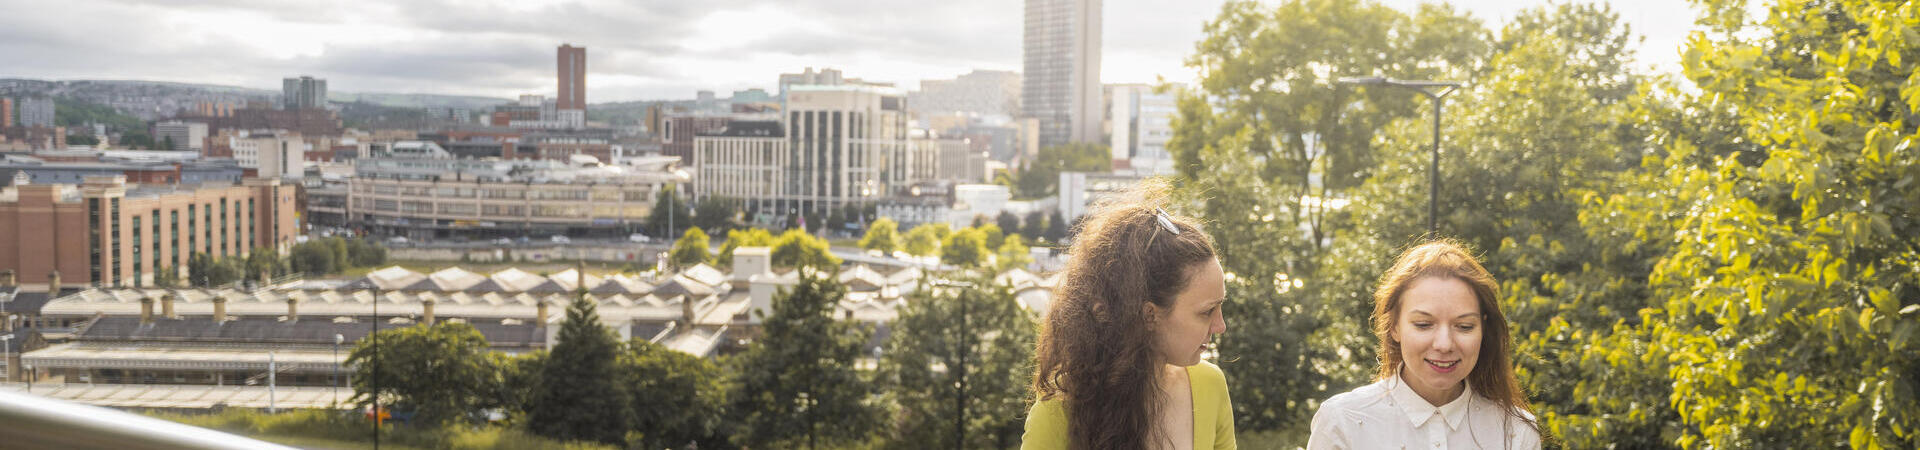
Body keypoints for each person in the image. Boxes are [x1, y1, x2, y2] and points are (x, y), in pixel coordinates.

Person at [1023, 183, 1235, 450]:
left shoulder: (1210, 385)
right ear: (1149, 315)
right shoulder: (1061, 408)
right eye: (1206, 312)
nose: (1220, 326)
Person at [1307, 240, 1541, 449]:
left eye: (1464, 326)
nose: (1444, 344)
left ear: (1483, 328)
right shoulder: (1342, 421)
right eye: (1423, 324)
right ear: (1394, 327)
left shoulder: (1515, 432)